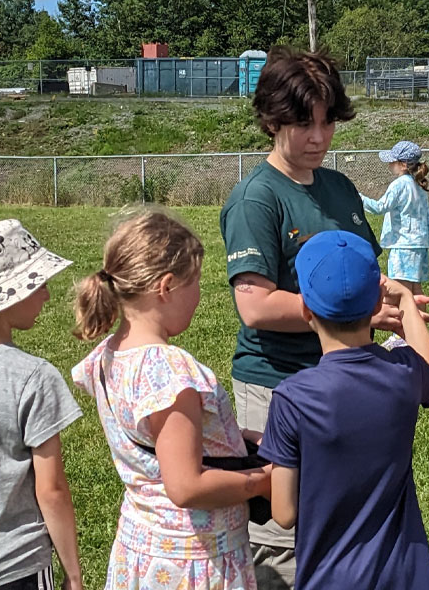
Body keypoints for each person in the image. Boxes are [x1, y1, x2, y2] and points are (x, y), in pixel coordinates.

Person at [219, 47, 421, 587]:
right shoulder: (255, 200)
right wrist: (363, 317)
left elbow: (365, 276)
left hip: (350, 381)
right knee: (284, 536)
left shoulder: (341, 189)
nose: (318, 136)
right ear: (269, 119)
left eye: (327, 120)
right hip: (278, 386)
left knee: (351, 518)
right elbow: (256, 306)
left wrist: (394, 301)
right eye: (302, 123)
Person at [71, 210, 272, 590]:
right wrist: (263, 481)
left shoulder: (109, 355)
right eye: (194, 282)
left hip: (142, 548)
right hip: (193, 560)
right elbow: (185, 486)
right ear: (166, 287)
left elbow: (161, 439)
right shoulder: (169, 371)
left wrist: (241, 437)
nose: (199, 294)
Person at [259, 230, 429, 589]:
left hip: (330, 578)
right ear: (376, 304)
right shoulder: (402, 374)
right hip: (405, 577)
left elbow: (283, 512)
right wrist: (403, 297)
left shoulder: (293, 397)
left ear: (306, 309)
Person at [0, 219, 83, 590]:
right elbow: (51, 491)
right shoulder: (33, 376)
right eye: (39, 283)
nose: (47, 295)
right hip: (15, 567)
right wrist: (74, 575)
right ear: (9, 295)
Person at [360, 140, 429, 304]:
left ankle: (400, 329)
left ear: (403, 164)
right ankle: (419, 328)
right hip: (420, 246)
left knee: (399, 293)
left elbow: (379, 207)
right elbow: (428, 218)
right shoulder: (419, 186)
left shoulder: (399, 185)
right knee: (416, 292)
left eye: (392, 161)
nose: (389, 165)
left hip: (403, 246)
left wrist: (357, 197)